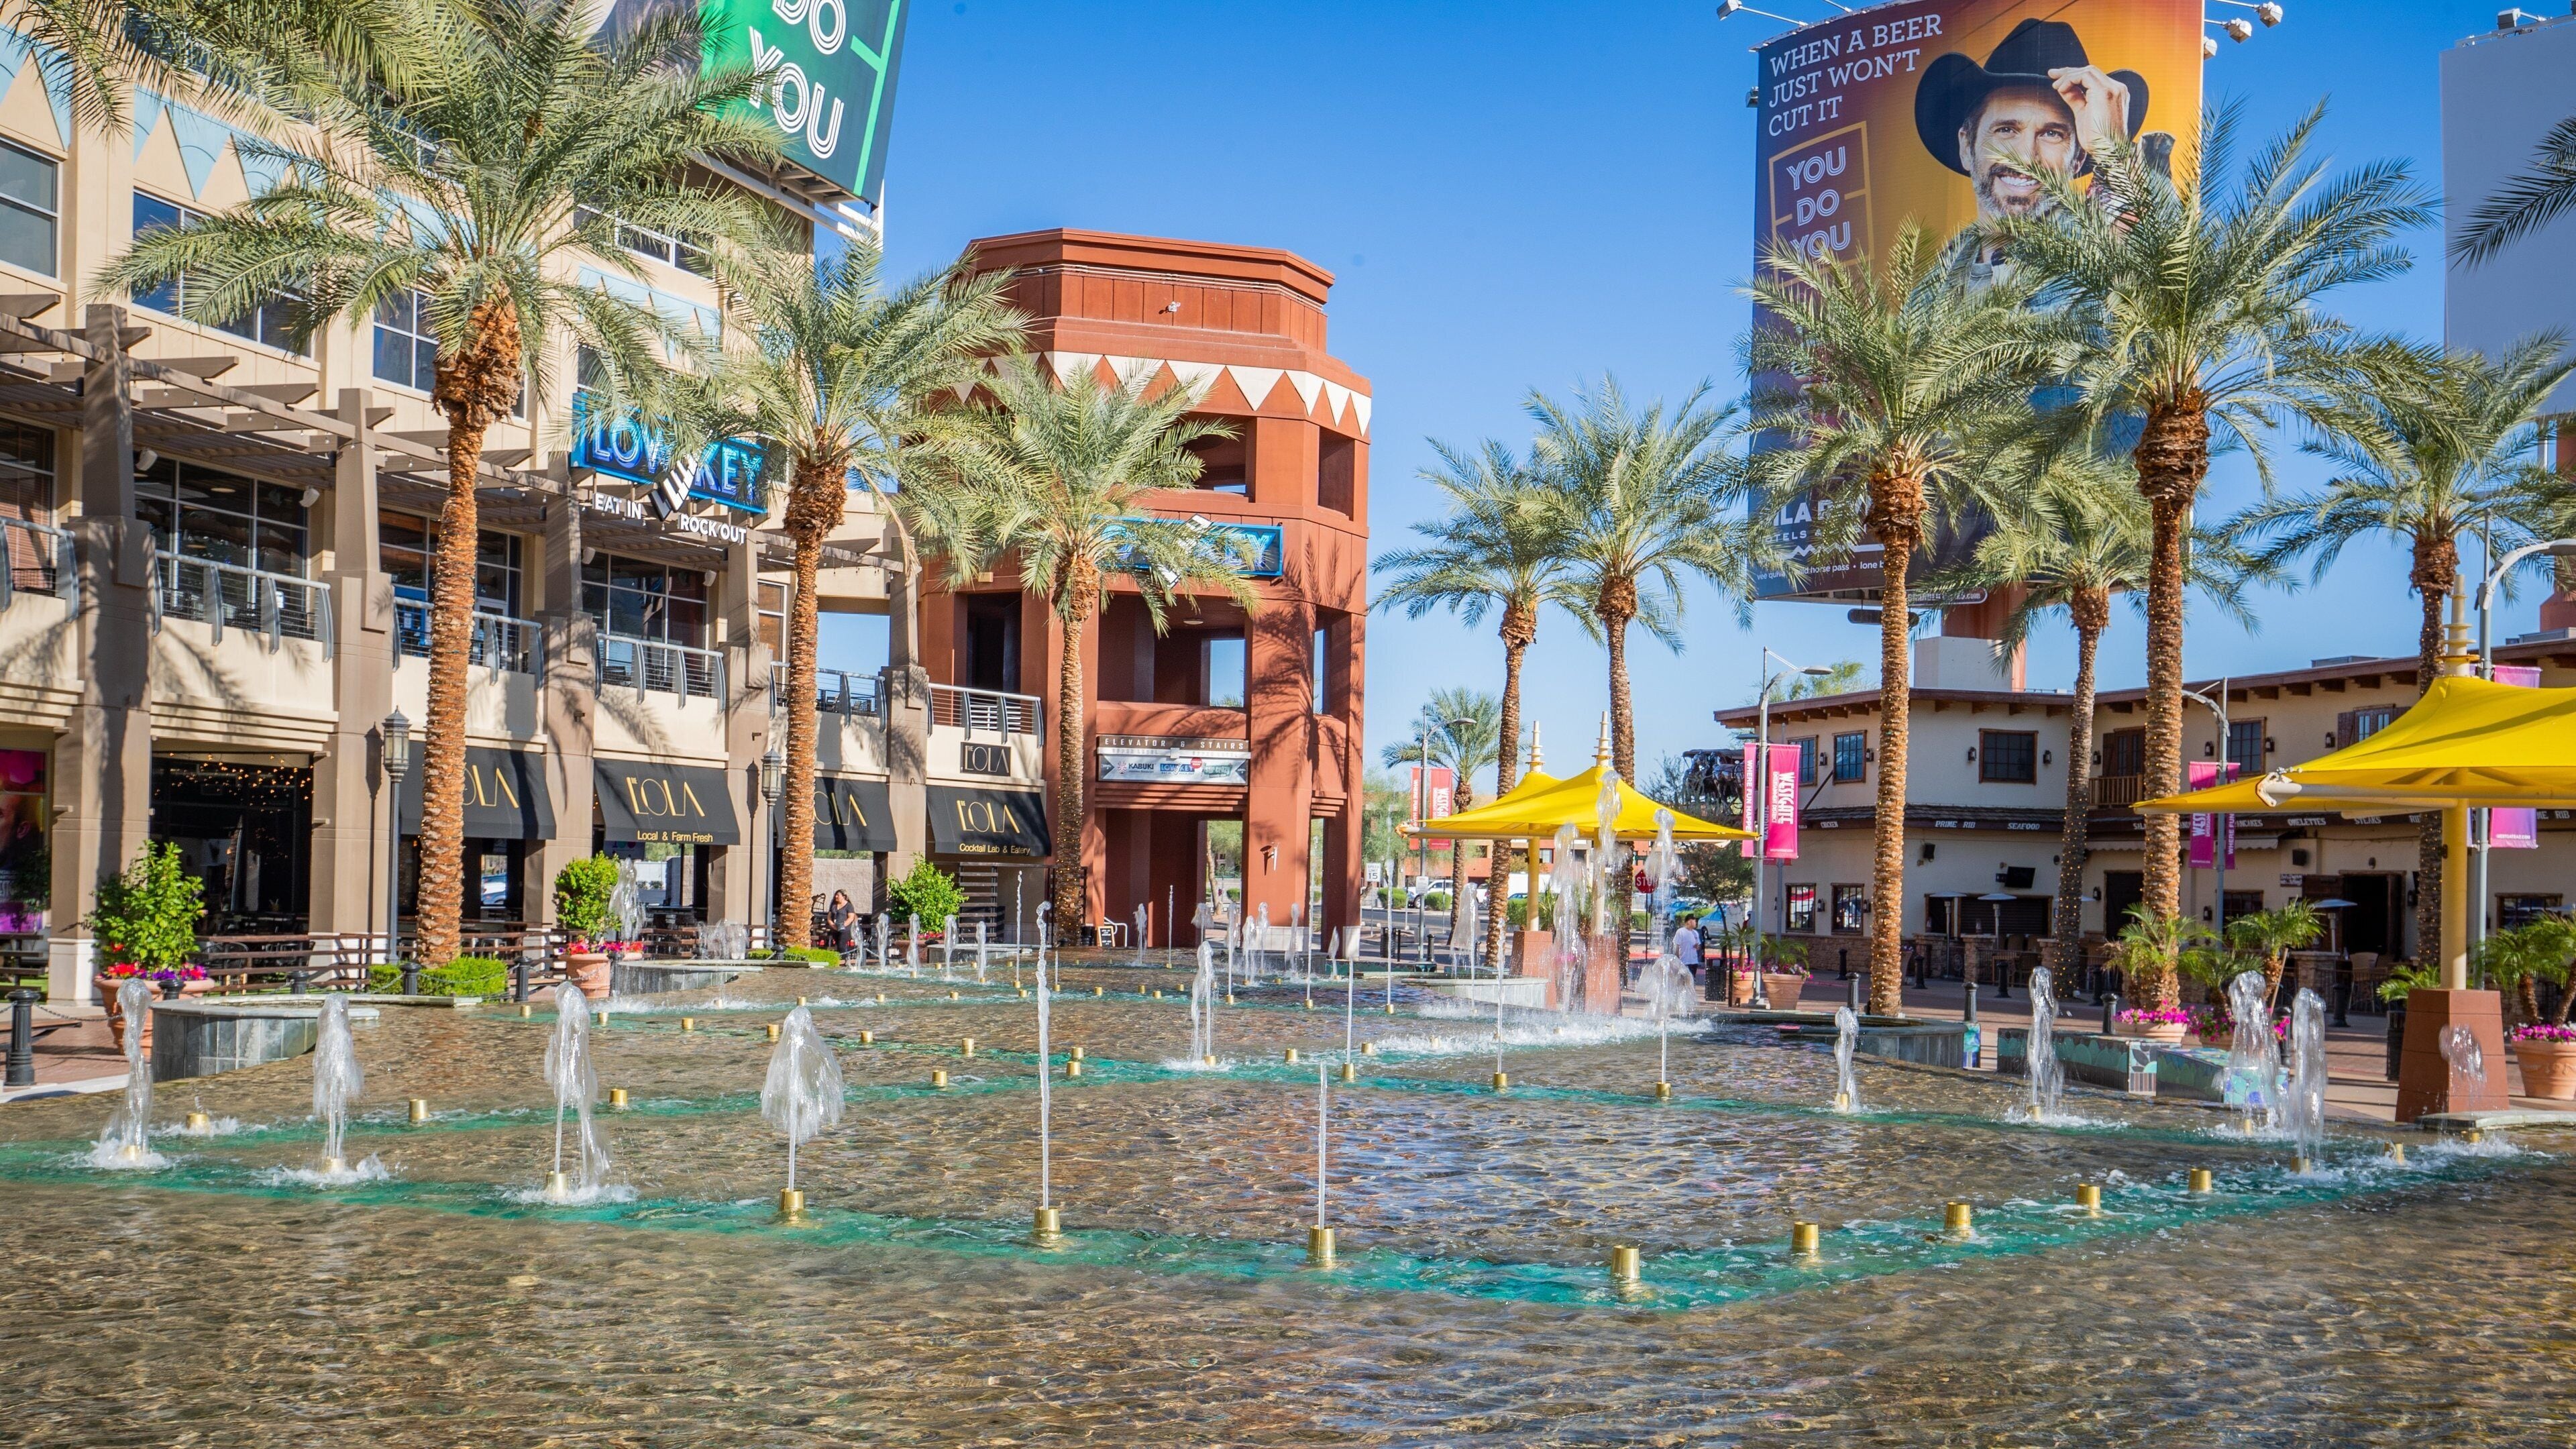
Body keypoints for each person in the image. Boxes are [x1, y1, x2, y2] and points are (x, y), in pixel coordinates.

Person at [1912, 18, 2153, 282]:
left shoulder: (2104, 248)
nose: (2027, 156)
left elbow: (2163, 282)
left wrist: (2111, 148)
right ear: (1966, 147)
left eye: (2052, 134)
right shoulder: (1932, 289)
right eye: (2006, 130)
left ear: (2078, 158)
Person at [1674, 914, 1704, 985]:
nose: (1696, 923)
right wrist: (1677, 959)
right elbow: (1676, 945)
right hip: (1684, 961)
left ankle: (1691, 994)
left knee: (1692, 980)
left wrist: (1697, 947)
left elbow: (1698, 946)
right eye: (1694, 921)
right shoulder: (1681, 932)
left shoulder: (1695, 933)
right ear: (1689, 922)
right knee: (1683, 981)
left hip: (1693, 961)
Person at [826, 889, 858, 955]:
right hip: (835, 929)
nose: (836, 897)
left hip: (846, 930)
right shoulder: (833, 905)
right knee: (838, 945)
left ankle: (844, 959)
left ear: (843, 897)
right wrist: (833, 925)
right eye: (836, 895)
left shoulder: (849, 906)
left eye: (838, 895)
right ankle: (841, 959)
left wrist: (843, 925)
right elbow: (829, 917)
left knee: (841, 945)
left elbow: (851, 917)